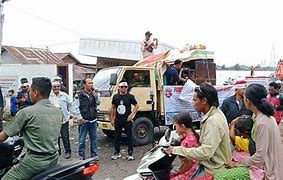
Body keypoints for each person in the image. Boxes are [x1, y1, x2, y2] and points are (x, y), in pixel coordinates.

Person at [0, 77, 63, 180]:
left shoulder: (27, 112)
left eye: (30, 91)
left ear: (36, 92)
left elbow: (2, 137)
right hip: (53, 158)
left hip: (35, 161)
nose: (28, 93)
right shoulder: (58, 112)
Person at [165, 82, 231, 178]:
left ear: (204, 101)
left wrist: (175, 150)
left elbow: (205, 152)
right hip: (209, 165)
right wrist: (191, 133)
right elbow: (209, 134)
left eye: (195, 100)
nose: (193, 103)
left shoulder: (213, 121)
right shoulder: (215, 113)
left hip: (213, 169)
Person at [225, 84, 283, 179]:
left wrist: (238, 163)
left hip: (268, 170)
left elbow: (259, 157)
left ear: (248, 101)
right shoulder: (260, 117)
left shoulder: (262, 122)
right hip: (268, 164)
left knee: (222, 176)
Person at [218, 115, 264, 180]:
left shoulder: (246, 142)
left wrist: (233, 124)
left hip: (250, 169)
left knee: (219, 176)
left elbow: (231, 136)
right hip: (246, 165)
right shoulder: (249, 140)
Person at [110, 81, 139, 161]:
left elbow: (137, 106)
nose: (124, 88)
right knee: (117, 136)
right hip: (118, 119)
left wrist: (131, 115)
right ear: (119, 88)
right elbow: (113, 108)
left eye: (125, 87)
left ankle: (130, 154)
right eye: (122, 87)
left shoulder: (130, 97)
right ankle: (116, 152)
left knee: (129, 136)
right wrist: (112, 118)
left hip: (127, 119)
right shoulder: (116, 97)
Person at [73, 78, 100, 161]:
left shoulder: (94, 94)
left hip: (93, 120)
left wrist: (96, 97)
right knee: (82, 139)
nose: (91, 85)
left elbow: (98, 104)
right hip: (84, 121)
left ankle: (94, 155)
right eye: (89, 83)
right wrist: (80, 118)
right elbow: (76, 107)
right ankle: (81, 155)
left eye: (92, 83)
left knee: (94, 139)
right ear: (84, 85)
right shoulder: (79, 95)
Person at [170, 112, 199, 180]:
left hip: (192, 171)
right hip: (196, 167)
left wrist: (179, 172)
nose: (175, 128)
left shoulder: (187, 141)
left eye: (176, 126)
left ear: (182, 126)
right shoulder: (193, 135)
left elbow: (188, 163)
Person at [49, 81, 72, 159]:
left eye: (58, 86)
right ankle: (57, 151)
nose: (56, 88)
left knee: (65, 136)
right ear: (52, 88)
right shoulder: (49, 96)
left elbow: (70, 105)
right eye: (54, 87)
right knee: (55, 136)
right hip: (53, 119)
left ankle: (68, 152)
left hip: (63, 118)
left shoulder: (64, 95)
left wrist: (69, 114)